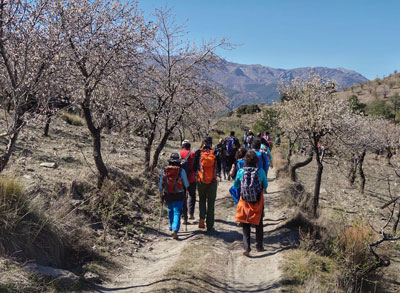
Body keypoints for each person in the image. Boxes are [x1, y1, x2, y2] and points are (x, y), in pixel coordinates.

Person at [234, 150, 268, 256]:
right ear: (256, 160)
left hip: (244, 201)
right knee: (258, 222)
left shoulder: (241, 172)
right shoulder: (260, 171)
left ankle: (247, 248)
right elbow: (265, 185)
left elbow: (236, 185)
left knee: (245, 224)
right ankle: (259, 246)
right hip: (257, 201)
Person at [193, 136, 221, 233]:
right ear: (211, 143)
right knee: (211, 203)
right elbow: (219, 168)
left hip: (201, 181)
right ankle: (210, 226)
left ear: (203, 142)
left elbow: (193, 168)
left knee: (202, 200)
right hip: (213, 181)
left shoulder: (198, 153)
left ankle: (201, 219)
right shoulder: (216, 153)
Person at [159, 153, 189, 240]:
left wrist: (161, 194)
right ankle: (175, 229)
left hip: (168, 193)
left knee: (170, 210)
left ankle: (172, 226)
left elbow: (161, 185)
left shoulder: (165, 170)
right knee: (177, 212)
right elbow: (186, 183)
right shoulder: (181, 170)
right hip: (179, 194)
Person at [179, 140, 196, 223]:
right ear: (189, 147)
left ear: (183, 147)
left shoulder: (179, 154)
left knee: (183, 197)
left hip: (181, 179)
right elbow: (196, 166)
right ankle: (191, 213)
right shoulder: (192, 154)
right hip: (191, 178)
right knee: (192, 196)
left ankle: (183, 217)